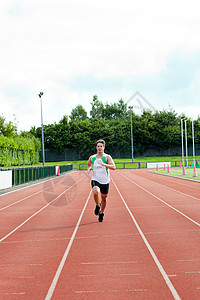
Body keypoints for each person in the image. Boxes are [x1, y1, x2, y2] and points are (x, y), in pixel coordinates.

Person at [87, 139, 115, 222]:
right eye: (98, 146)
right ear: (96, 147)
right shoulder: (92, 157)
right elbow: (89, 164)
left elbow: (113, 167)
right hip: (95, 179)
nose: (99, 148)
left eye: (101, 146)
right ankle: (98, 205)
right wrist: (89, 168)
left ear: (104, 147)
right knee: (95, 192)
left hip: (105, 181)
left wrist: (104, 164)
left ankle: (101, 213)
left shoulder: (107, 157)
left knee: (104, 199)